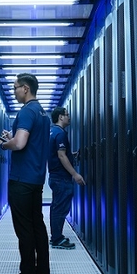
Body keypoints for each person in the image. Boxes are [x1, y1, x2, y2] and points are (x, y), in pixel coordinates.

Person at [0, 73, 51, 274]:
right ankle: (43, 273)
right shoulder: (43, 114)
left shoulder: (26, 111)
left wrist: (6, 144)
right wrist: (13, 136)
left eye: (15, 88)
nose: (14, 91)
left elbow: (21, 143)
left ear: (25, 88)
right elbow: (30, 141)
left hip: (21, 180)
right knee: (38, 226)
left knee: (24, 229)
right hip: (35, 179)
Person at [47, 107, 85, 249]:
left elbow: (60, 154)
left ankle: (56, 237)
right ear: (60, 117)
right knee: (60, 208)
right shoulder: (60, 134)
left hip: (55, 176)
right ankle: (57, 239)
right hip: (61, 177)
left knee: (57, 207)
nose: (69, 117)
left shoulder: (52, 132)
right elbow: (61, 155)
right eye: (67, 115)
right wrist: (75, 174)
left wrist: (71, 154)